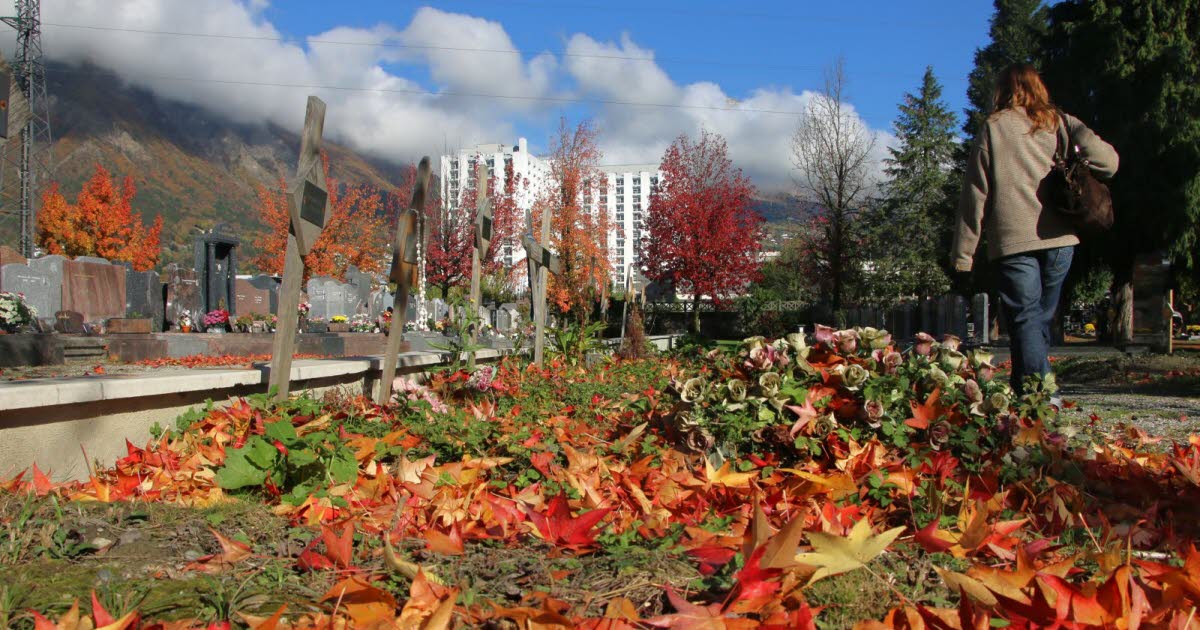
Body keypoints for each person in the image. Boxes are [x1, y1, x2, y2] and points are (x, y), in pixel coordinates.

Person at [952, 64, 1119, 395]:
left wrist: (963, 256)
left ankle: (1043, 397)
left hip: (1015, 240)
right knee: (1033, 320)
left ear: (1003, 90)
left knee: (1027, 318)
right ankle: (1023, 394)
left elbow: (975, 194)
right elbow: (1109, 163)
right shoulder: (1059, 122)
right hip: (1060, 241)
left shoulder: (994, 127)